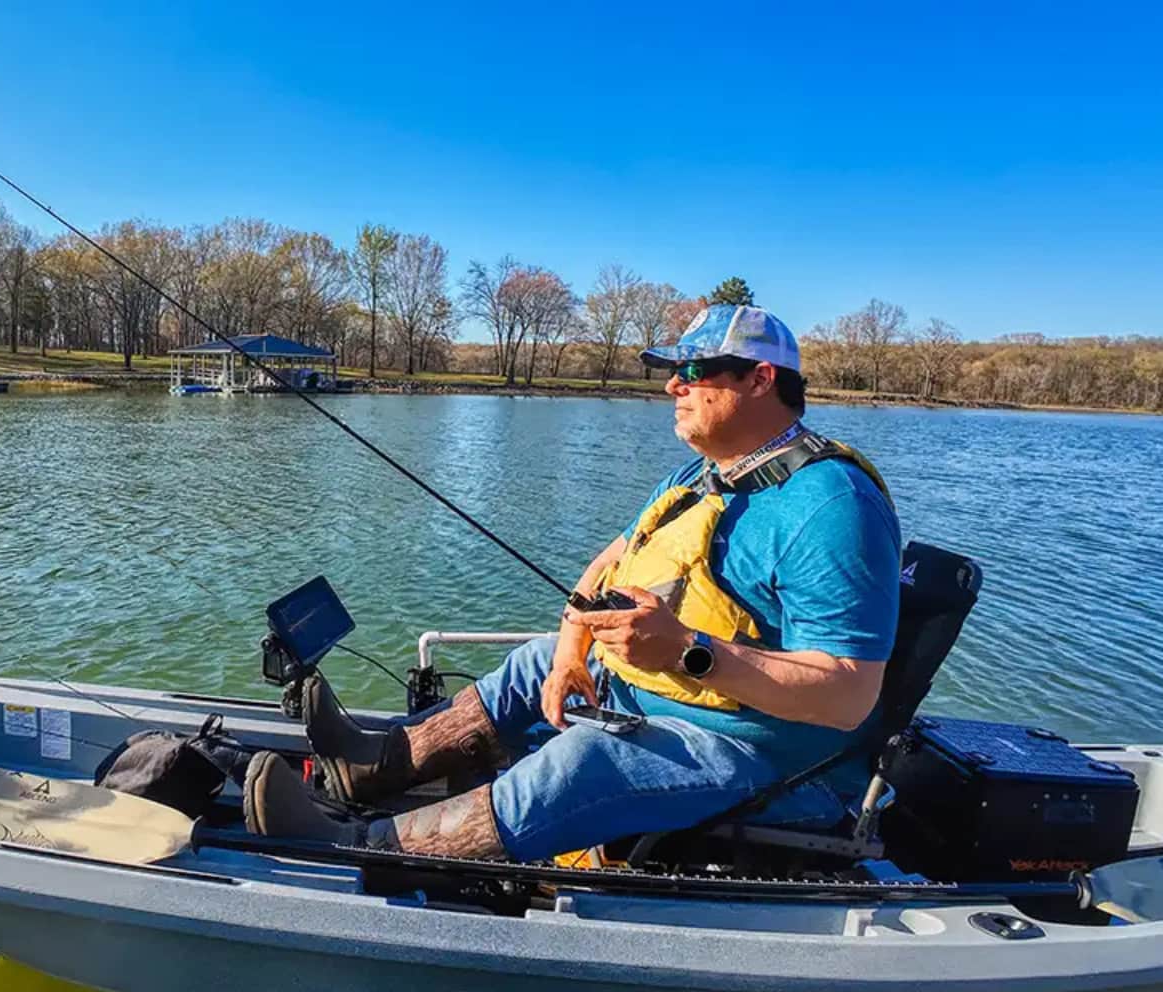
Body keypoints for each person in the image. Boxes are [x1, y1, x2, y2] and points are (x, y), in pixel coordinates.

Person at [243, 304, 902, 860]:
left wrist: (682, 652)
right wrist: (567, 656)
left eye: (694, 371)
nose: (674, 385)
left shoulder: (832, 506)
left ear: (761, 380)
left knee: (584, 760)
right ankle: (374, 766)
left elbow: (848, 695)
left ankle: (359, 847)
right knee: (532, 663)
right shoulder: (697, 478)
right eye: (673, 371)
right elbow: (602, 570)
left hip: (762, 756)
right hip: (650, 696)